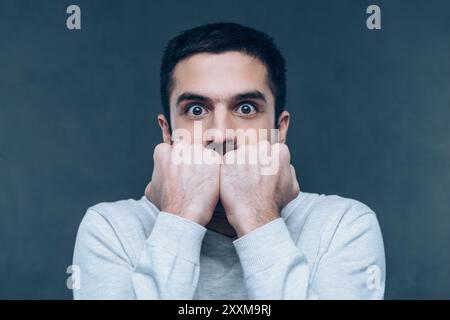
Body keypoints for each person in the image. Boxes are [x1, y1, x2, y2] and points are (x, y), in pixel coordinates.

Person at [72, 22, 385, 299]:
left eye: (246, 108)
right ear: (167, 134)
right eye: (196, 110)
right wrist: (179, 216)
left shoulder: (343, 226)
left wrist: (257, 218)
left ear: (280, 131)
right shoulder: (111, 229)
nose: (221, 134)